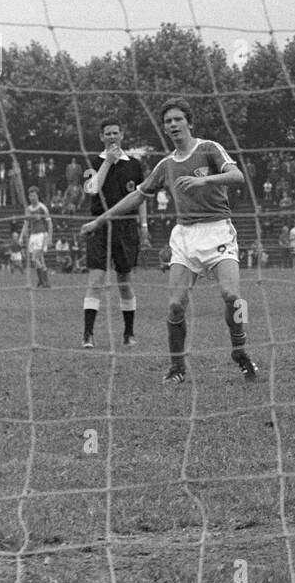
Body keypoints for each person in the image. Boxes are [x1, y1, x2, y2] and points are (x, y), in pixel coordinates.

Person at [82, 97, 259, 385]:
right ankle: (177, 367)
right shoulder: (165, 165)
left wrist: (204, 181)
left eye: (178, 119)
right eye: (168, 121)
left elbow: (236, 175)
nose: (173, 124)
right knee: (176, 305)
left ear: (189, 122)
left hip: (217, 231)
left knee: (233, 297)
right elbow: (136, 197)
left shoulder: (209, 148)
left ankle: (240, 350)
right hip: (185, 237)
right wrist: (99, 221)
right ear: (164, 129)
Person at [80, 119, 150, 348]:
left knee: (124, 280)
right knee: (96, 278)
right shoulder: (93, 161)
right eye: (108, 134)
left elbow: (141, 198)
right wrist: (107, 163)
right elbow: (92, 189)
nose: (112, 137)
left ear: (122, 135)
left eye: (115, 133)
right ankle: (88, 334)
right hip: (98, 226)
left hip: (126, 227)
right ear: (101, 137)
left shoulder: (135, 165)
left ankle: (129, 333)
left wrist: (144, 226)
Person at [21, 186, 53, 288]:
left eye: (34, 195)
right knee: (39, 259)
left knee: (35, 257)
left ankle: (43, 280)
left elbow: (49, 223)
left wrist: (50, 238)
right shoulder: (28, 209)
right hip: (33, 236)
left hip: (42, 235)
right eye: (30, 196)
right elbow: (25, 224)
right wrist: (21, 236)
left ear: (37, 196)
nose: (32, 197)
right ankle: (43, 281)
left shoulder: (43, 208)